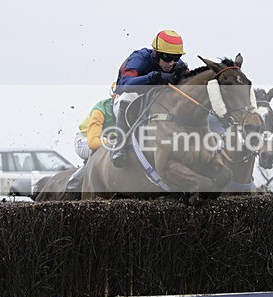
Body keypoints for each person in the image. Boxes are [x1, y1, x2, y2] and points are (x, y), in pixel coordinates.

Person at [111, 29, 189, 167]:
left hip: (157, 104)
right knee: (128, 97)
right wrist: (153, 77)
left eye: (175, 58)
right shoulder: (139, 58)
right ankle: (119, 146)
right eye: (166, 57)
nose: (171, 63)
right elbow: (122, 86)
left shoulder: (178, 64)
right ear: (155, 53)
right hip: (126, 102)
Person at [67, 96, 117, 191]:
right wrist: (114, 142)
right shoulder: (101, 109)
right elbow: (93, 143)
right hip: (85, 140)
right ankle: (76, 179)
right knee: (100, 150)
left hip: (107, 141)